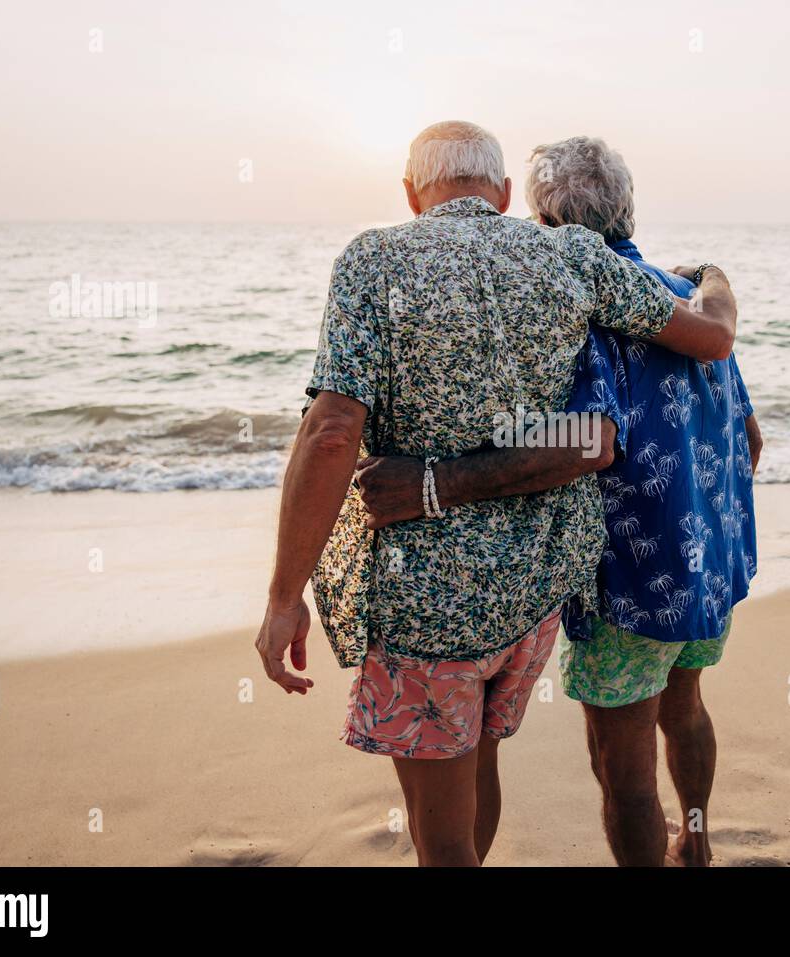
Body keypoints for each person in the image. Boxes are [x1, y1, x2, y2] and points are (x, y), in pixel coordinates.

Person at [254, 121, 739, 867]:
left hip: (431, 605)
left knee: (444, 831)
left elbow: (330, 432)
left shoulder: (373, 260)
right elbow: (709, 343)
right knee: (480, 773)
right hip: (538, 597)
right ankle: (694, 838)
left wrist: (286, 595)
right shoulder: (573, 258)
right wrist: (712, 278)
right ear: (506, 194)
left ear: (412, 193)